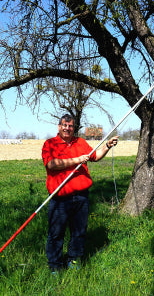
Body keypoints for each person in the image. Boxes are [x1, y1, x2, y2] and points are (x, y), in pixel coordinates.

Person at [42, 114, 119, 272]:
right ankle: (55, 266)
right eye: (64, 125)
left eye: (70, 126)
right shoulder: (50, 144)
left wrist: (107, 145)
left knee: (79, 232)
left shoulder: (81, 142)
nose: (67, 128)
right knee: (56, 233)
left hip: (81, 197)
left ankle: (73, 260)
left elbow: (95, 156)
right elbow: (51, 164)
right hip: (60, 198)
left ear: (73, 128)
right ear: (59, 126)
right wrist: (77, 160)